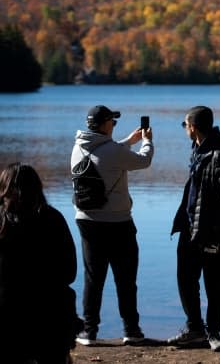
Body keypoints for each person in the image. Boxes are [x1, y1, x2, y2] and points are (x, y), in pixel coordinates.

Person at [71, 105, 154, 346]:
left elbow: (106, 153)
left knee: (93, 278)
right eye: (113, 122)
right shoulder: (112, 151)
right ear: (105, 125)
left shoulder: (78, 147)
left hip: (86, 221)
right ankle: (131, 330)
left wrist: (128, 140)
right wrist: (146, 141)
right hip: (117, 222)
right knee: (125, 278)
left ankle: (89, 332)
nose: (114, 125)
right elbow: (144, 160)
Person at [168, 106, 220, 352]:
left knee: (214, 282)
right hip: (190, 229)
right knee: (186, 280)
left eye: (185, 125)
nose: (185, 129)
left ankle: (214, 333)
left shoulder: (219, 156)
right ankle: (195, 329)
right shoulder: (198, 151)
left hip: (212, 233)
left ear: (194, 127)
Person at [0, 163, 79, 363]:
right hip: (52, 315)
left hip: (7, 316)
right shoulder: (52, 219)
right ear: (37, 187)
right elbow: (70, 272)